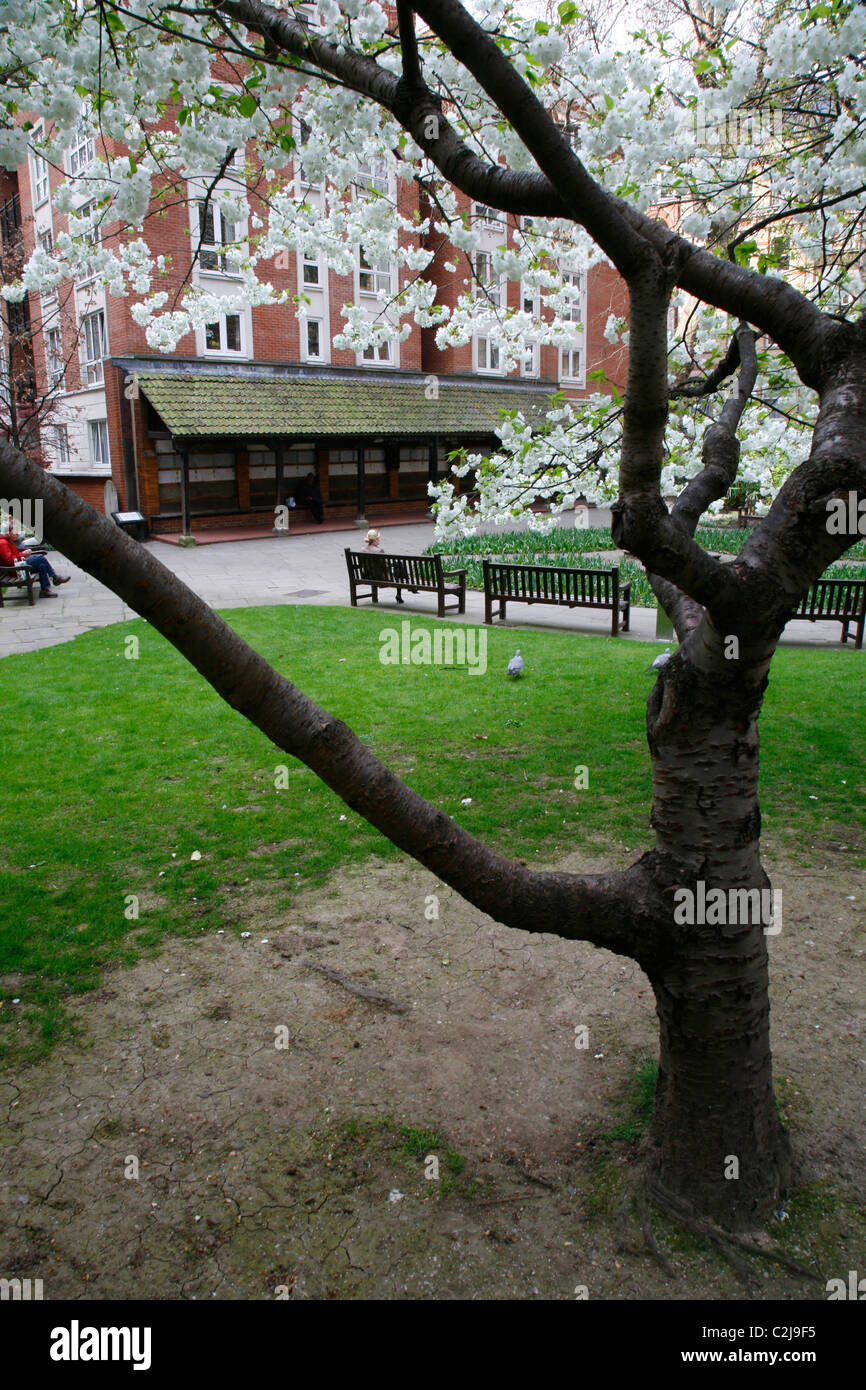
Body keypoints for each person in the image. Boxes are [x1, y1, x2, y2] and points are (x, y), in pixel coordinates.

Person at [0, 526, 70, 597]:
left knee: (42, 565)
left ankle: (45, 590)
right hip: (16, 570)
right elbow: (9, 561)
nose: (17, 534)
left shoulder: (7, 542)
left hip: (19, 566)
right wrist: (23, 554)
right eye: (15, 533)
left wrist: (24, 554)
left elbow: (13, 557)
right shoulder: (3, 543)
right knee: (40, 557)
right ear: (8, 534)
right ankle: (54, 577)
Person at [363, 528, 404, 603]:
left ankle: (402, 592)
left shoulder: (363, 550)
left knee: (398, 564)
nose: (379, 540)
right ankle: (401, 593)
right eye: (378, 538)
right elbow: (385, 567)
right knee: (399, 568)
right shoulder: (379, 551)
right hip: (380, 577)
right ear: (375, 539)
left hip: (369, 576)